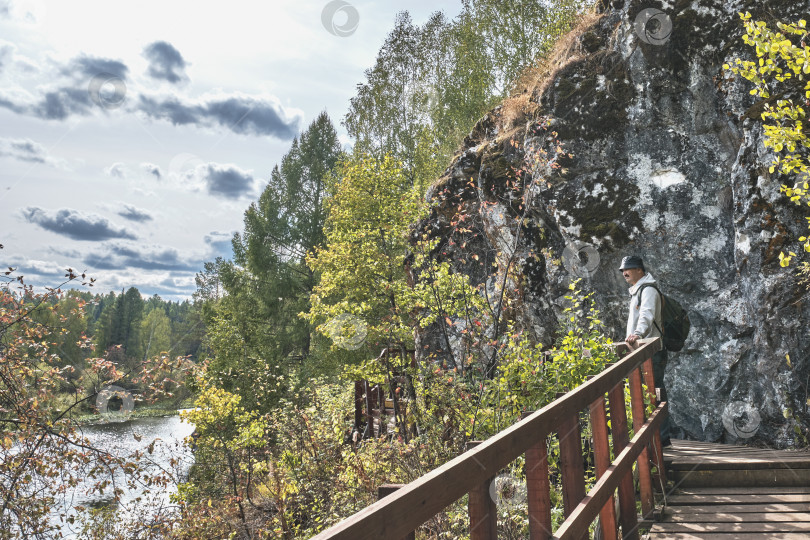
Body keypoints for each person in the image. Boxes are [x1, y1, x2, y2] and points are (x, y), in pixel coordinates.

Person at [619, 255, 671, 447]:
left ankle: (662, 438)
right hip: (646, 351)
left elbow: (646, 315)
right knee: (651, 391)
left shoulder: (648, 290)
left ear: (640, 270)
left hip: (652, 352)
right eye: (623, 270)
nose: (625, 272)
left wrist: (637, 334)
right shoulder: (639, 290)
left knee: (655, 391)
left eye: (629, 269)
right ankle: (656, 437)